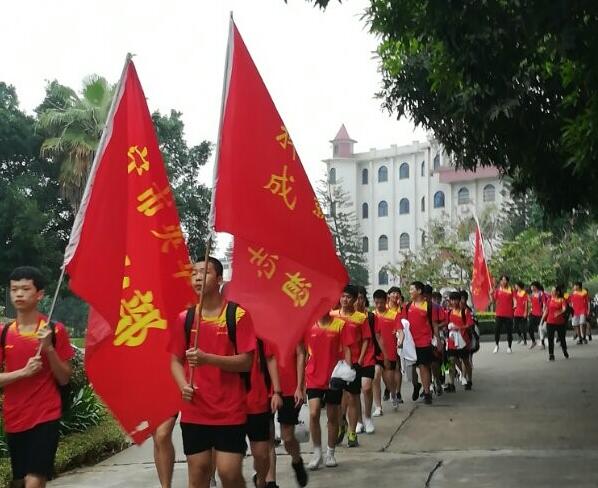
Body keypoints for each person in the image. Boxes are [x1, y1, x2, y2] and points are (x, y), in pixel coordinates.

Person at [169, 257, 256, 488]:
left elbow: (247, 362)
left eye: (205, 272)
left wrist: (208, 359)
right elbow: (175, 360)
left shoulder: (237, 315)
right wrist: (183, 386)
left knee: (229, 472)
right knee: (198, 472)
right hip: (195, 409)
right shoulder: (185, 318)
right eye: (194, 273)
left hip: (230, 409)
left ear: (219, 279)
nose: (197, 278)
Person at [0, 266, 74, 488]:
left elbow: (64, 378)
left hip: (45, 415)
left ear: (40, 294)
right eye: (14, 289)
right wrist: (23, 373)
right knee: (20, 482)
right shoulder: (4, 333)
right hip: (14, 416)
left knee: (34, 480)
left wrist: (49, 348)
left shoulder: (55, 330)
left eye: (25, 289)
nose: (19, 294)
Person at [305, 313, 345, 470]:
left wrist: (347, 370)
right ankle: (317, 453)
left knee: (332, 416)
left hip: (333, 376)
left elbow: (345, 349)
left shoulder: (340, 325)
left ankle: (330, 453)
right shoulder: (309, 325)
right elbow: (304, 352)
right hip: (313, 375)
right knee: (314, 413)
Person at [332, 285, 369, 447]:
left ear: (354, 299)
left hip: (354, 363)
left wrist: (360, 360)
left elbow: (366, 339)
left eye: (348, 297)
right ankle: (342, 424)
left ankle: (352, 433)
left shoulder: (360, 318)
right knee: (336, 399)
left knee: (352, 397)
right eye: (342, 296)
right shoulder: (333, 315)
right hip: (336, 363)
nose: (345, 300)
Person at [267, 344, 308, 488]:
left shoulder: (292, 330)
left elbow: (300, 353)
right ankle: (271, 481)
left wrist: (299, 386)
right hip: (266, 387)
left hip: (289, 387)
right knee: (267, 437)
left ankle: (297, 461)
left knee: (288, 438)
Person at [246, 341, 283, 488]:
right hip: (231, 402)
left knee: (265, 448)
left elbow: (270, 358)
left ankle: (268, 480)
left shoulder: (262, 335)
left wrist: (277, 392)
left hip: (259, 398)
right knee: (231, 459)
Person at [372, 289, 404, 415]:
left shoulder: (394, 315)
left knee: (388, 379)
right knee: (376, 376)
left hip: (390, 352)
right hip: (376, 352)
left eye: (381, 302)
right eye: (376, 303)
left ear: (386, 301)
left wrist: (400, 340)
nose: (379, 305)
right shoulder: (372, 316)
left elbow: (400, 331)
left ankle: (393, 394)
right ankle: (378, 407)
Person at [405, 281, 438, 405]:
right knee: (412, 368)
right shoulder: (408, 306)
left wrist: (438, 340)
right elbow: (403, 323)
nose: (410, 292)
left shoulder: (428, 306)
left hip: (424, 342)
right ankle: (416, 385)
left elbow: (434, 324)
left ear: (419, 291)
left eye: (412, 289)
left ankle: (427, 392)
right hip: (411, 343)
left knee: (424, 367)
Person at [355, 286, 377, 434]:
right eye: (356, 298)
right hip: (351, 358)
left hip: (368, 356)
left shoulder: (370, 317)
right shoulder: (345, 316)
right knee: (355, 392)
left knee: (367, 387)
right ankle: (359, 421)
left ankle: (368, 417)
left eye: (361, 298)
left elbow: (377, 336)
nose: (358, 301)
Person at [445, 292, 473, 391]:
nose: (453, 302)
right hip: (451, 342)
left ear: (459, 300)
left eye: (455, 300)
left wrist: (459, 328)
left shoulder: (465, 312)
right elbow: (445, 324)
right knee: (450, 361)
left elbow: (469, 325)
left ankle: (469, 380)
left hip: (463, 342)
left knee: (466, 361)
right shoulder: (448, 312)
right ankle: (451, 383)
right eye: (452, 300)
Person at [542, 286, 569, 361]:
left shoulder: (562, 300)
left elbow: (564, 309)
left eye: (553, 291)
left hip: (560, 322)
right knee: (550, 338)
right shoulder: (549, 300)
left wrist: (559, 312)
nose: (551, 292)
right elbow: (546, 310)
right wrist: (542, 320)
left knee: (562, 338)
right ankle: (551, 354)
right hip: (550, 322)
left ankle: (564, 350)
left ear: (558, 292)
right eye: (551, 291)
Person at [492, 275, 515, 354]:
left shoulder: (511, 290)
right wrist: (491, 294)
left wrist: (515, 306)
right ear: (500, 281)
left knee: (509, 331)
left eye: (505, 280)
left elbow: (515, 299)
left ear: (507, 281)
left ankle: (509, 347)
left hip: (508, 314)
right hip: (499, 314)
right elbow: (493, 300)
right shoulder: (498, 290)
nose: (503, 281)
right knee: (497, 330)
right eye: (502, 280)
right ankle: (496, 345)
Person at [528, 282, 546, 349]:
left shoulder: (541, 293)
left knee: (541, 329)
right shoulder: (531, 294)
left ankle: (543, 344)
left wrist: (543, 311)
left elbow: (544, 303)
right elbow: (531, 304)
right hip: (532, 314)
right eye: (531, 286)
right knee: (529, 328)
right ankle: (533, 341)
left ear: (536, 287)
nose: (531, 288)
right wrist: (529, 310)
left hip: (540, 314)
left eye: (533, 286)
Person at [513, 282, 529, 346]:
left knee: (523, 327)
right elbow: (515, 300)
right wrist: (514, 306)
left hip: (523, 313)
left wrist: (525, 312)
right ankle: (520, 336)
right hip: (516, 312)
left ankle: (525, 340)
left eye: (516, 285)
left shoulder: (524, 293)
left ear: (519, 286)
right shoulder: (515, 293)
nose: (515, 286)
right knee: (515, 326)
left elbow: (526, 303)